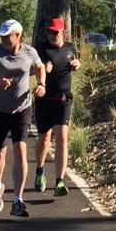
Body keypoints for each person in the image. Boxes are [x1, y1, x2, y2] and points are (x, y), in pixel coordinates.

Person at [0, 19, 45, 217]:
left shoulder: (29, 52)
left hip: (22, 111)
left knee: (20, 152)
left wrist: (42, 84)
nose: (4, 39)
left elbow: (40, 66)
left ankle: (17, 200)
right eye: (2, 36)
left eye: (7, 36)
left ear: (18, 35)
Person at [33, 17, 81, 196]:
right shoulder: (41, 48)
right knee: (44, 137)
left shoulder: (70, 48)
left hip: (63, 99)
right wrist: (43, 69)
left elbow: (76, 61)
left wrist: (77, 64)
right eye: (49, 32)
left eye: (55, 32)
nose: (51, 35)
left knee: (61, 137)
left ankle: (60, 181)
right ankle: (39, 170)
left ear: (63, 32)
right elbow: (32, 69)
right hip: (45, 99)